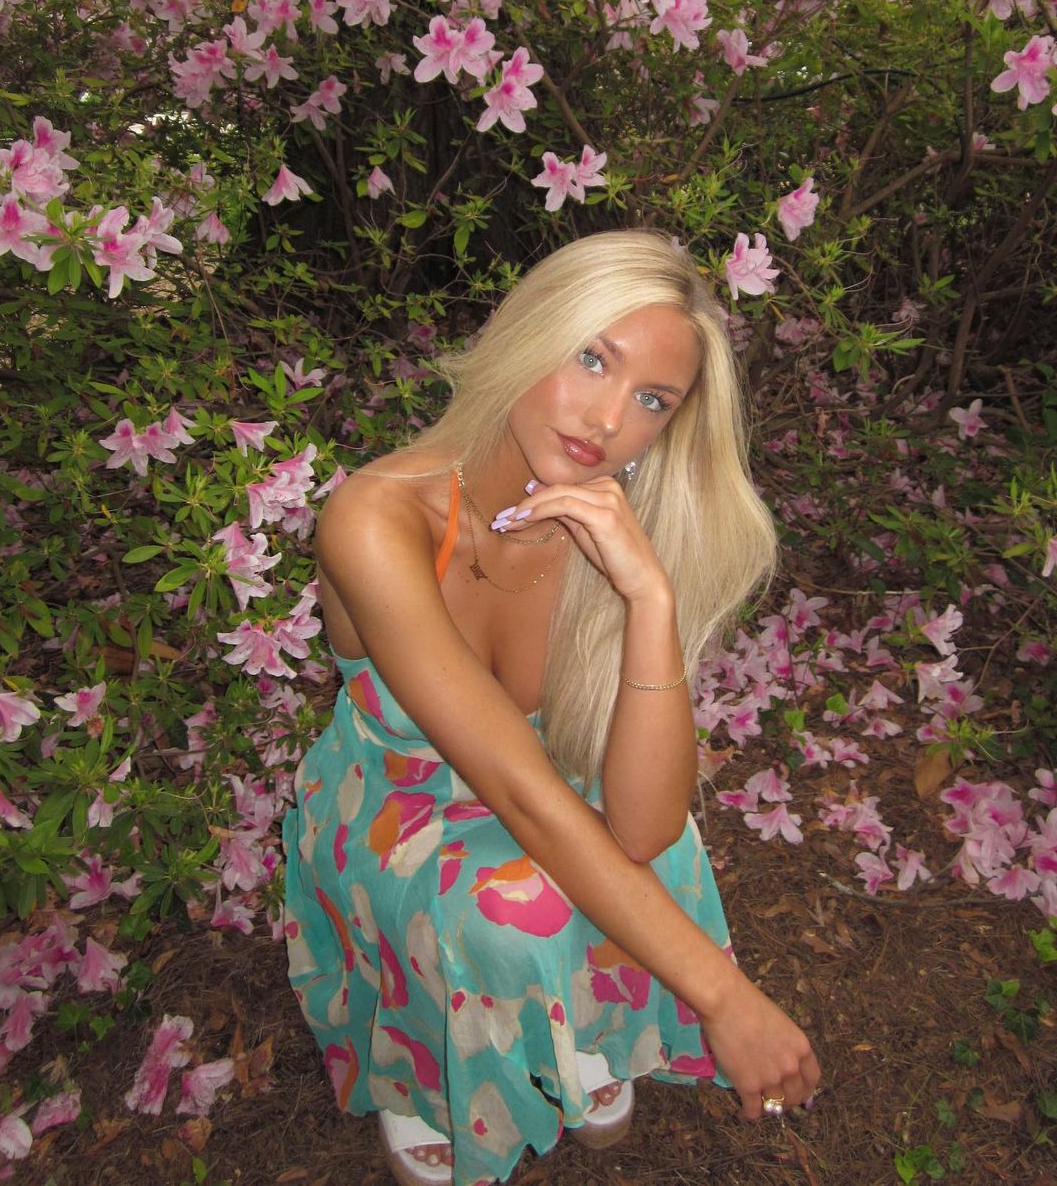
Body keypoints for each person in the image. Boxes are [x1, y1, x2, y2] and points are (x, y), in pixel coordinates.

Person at [283, 229, 821, 1186]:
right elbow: (524, 797)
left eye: (652, 399)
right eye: (592, 358)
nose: (608, 419)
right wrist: (725, 995)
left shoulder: (609, 522)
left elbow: (648, 827)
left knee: (648, 847)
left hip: (546, 785)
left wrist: (648, 598)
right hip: (399, 799)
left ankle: (571, 1022)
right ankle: (423, 1068)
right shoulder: (377, 518)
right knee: (506, 908)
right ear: (528, 332)